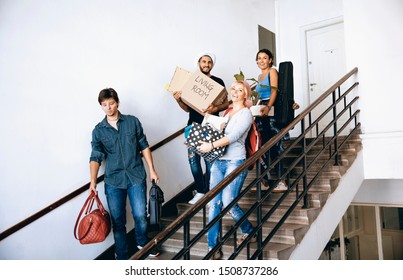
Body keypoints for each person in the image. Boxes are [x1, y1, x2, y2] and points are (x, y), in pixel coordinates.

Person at [89, 88, 160, 259]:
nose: (109, 107)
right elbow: (95, 157)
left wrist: (152, 169)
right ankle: (121, 254)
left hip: (136, 175)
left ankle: (143, 243)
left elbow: (143, 146)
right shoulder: (98, 130)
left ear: (117, 102)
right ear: (101, 106)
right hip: (113, 180)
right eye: (104, 105)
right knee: (118, 220)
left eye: (111, 103)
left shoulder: (132, 122)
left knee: (140, 215)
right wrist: (92, 181)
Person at [198, 80, 255, 260]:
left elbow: (234, 136)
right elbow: (217, 131)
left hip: (235, 161)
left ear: (246, 94)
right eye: (233, 89)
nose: (236, 92)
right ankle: (212, 246)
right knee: (214, 202)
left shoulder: (246, 113)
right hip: (218, 161)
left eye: (240, 90)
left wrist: (211, 145)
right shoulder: (227, 112)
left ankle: (248, 229)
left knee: (228, 200)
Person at [173, 52, 229, 205]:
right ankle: (200, 191)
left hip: (211, 125)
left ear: (212, 65)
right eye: (204, 61)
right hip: (193, 125)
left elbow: (226, 103)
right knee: (193, 161)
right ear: (198, 63)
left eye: (209, 62)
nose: (206, 64)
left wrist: (214, 107)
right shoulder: (191, 82)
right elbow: (187, 109)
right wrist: (178, 100)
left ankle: (211, 193)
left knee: (210, 161)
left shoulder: (218, 81)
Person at [254, 48, 287, 192]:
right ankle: (264, 181)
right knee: (261, 147)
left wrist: (268, 107)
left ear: (270, 60)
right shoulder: (259, 77)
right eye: (259, 58)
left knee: (275, 146)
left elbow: (274, 91)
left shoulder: (272, 71)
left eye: (265, 58)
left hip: (270, 112)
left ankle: (282, 181)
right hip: (260, 113)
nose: (262, 60)